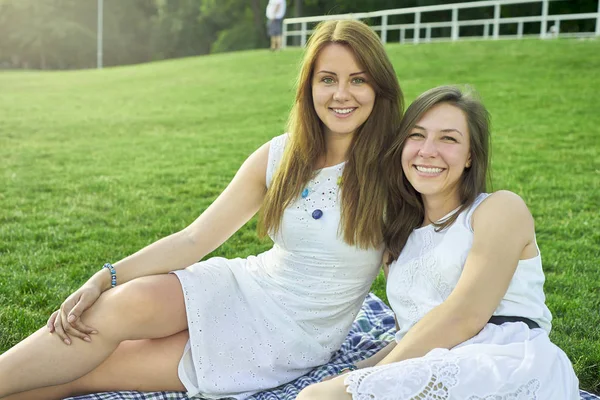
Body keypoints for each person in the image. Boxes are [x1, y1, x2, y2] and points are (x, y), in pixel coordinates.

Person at [0, 19, 403, 400]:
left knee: (90, 371)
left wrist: (360, 371)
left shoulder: (394, 175)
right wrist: (103, 278)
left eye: (358, 80)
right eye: (327, 79)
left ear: (378, 87)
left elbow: (416, 296)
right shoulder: (282, 154)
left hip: (286, 336)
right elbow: (194, 239)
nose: (341, 94)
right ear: (309, 87)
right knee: (113, 308)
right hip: (244, 284)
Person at [296, 86, 580, 399]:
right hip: (436, 361)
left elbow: (465, 315)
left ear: (470, 155)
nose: (428, 150)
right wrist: (359, 368)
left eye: (448, 138)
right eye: (417, 135)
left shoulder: (498, 209)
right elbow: (413, 334)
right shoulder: (397, 243)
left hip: (503, 356)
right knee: (322, 392)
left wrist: (374, 375)